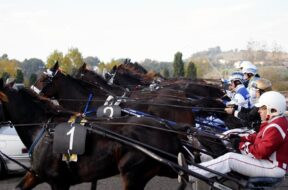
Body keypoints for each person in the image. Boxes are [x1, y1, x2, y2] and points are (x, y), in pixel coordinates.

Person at [179, 91, 288, 182]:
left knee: (230, 158)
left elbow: (261, 152)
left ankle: (190, 173)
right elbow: (257, 137)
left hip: (273, 167)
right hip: (269, 163)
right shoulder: (275, 122)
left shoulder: (275, 126)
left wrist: (240, 145)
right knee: (229, 152)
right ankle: (202, 161)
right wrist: (241, 138)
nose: (259, 111)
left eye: (262, 108)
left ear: (273, 110)